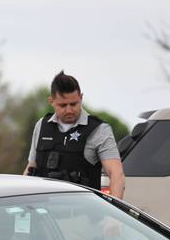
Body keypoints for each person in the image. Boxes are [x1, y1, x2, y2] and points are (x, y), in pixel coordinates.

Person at [23, 71, 125, 199]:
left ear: (81, 98)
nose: (69, 110)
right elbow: (31, 169)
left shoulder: (99, 130)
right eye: (63, 105)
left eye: (74, 104)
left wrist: (114, 211)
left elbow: (116, 174)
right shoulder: (42, 126)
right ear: (51, 101)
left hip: (82, 215)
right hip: (45, 213)